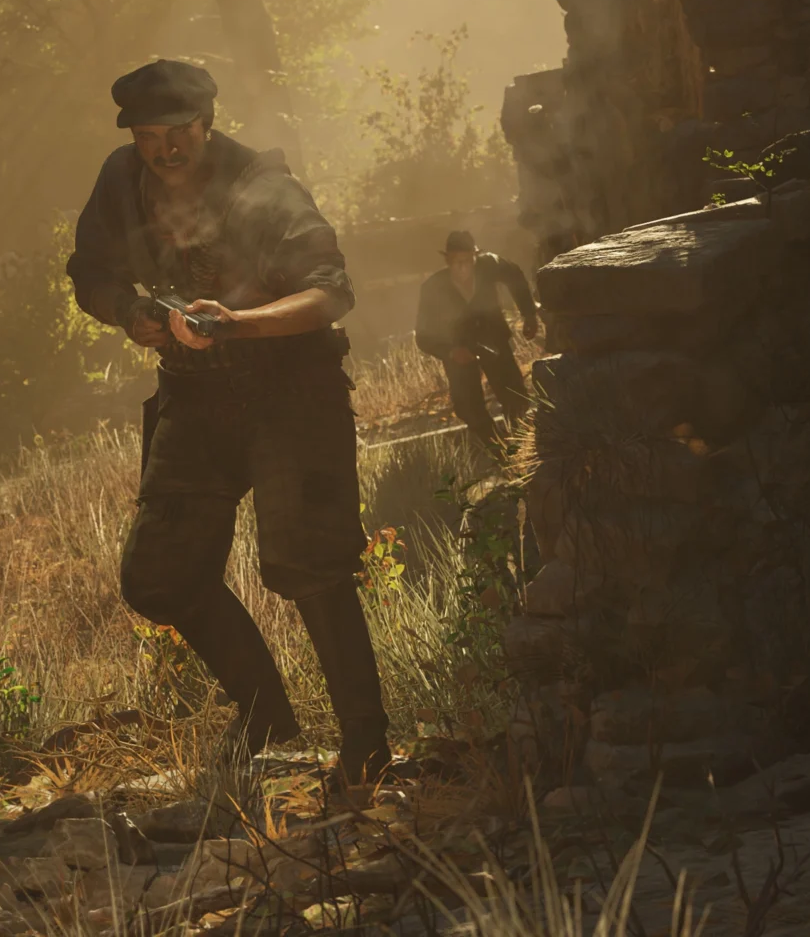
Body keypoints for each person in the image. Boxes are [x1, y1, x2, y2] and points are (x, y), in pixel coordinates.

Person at [65, 59, 391, 785]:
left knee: (309, 565)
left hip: (291, 393)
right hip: (194, 398)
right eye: (150, 135)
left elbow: (331, 293)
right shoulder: (119, 182)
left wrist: (238, 323)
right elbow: (88, 271)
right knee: (160, 577)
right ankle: (267, 719)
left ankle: (367, 744)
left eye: (179, 132)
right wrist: (129, 314)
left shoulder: (264, 188)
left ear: (207, 124)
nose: (165, 149)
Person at [414, 230, 540, 453]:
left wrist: (529, 313)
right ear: (447, 260)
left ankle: (523, 449)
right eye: (455, 262)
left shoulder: (489, 265)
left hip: (493, 340)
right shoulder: (433, 288)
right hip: (458, 349)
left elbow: (515, 276)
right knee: (468, 407)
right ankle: (499, 451)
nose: (462, 267)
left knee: (516, 397)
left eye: (466, 261)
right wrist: (451, 351)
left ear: (475, 257)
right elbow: (423, 336)